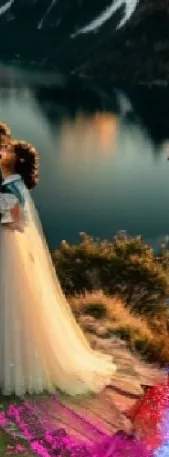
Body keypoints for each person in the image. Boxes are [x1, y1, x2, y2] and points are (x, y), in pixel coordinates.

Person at [0, 139, 116, 396]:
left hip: (8, 253)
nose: (2, 151)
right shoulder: (13, 185)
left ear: (16, 161)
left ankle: (14, 367)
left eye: (7, 150)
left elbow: (15, 223)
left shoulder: (11, 188)